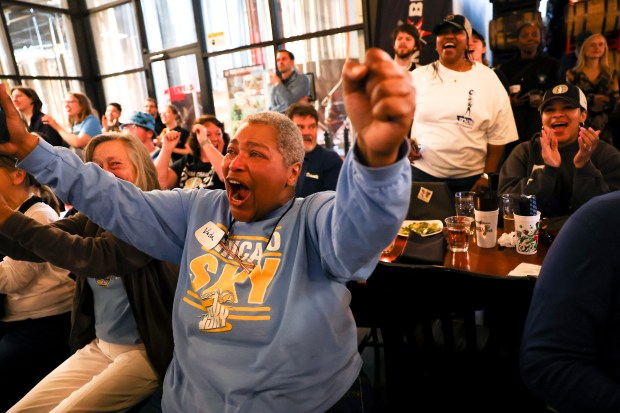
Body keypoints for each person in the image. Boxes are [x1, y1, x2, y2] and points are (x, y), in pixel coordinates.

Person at [0, 47, 415, 412]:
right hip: (192, 399)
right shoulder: (199, 209)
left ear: (293, 172)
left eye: (256, 153)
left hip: (305, 400)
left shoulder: (313, 216)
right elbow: (117, 200)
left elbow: (360, 231)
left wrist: (378, 159)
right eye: (233, 150)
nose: (235, 162)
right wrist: (34, 152)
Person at [0, 132, 178, 412]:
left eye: (115, 164)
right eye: (95, 167)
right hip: (101, 345)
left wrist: (8, 217)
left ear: (139, 169)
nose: (104, 175)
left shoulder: (153, 218)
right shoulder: (93, 217)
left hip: (146, 353)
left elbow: (92, 256)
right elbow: (38, 246)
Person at [520, 189, 620, 412]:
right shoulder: (601, 220)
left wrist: (583, 169)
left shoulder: (606, 157)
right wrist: (550, 170)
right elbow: (545, 362)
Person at [408, 14, 518, 194]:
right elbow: (397, 118)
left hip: (472, 180)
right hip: (424, 175)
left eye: (456, 32)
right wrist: (403, 143)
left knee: (472, 224)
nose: (448, 36)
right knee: (425, 223)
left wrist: (487, 175)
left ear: (468, 41)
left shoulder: (488, 79)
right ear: (436, 43)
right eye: (443, 33)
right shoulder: (418, 77)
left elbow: (499, 135)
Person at [0, 155, 75, 411]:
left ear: (17, 175)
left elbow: (14, 279)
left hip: (46, 321)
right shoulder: (13, 213)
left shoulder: (39, 214)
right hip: (17, 316)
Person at [498, 83, 620, 218]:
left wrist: (584, 167)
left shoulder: (606, 154)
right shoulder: (524, 152)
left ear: (583, 115)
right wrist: (548, 171)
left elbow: (608, 213)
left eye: (567, 107)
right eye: (549, 110)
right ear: (542, 117)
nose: (557, 115)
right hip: (532, 237)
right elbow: (508, 208)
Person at [495, 22, 560, 155]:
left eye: (534, 35)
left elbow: (562, 95)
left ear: (540, 38)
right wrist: (510, 102)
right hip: (514, 132)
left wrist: (546, 100)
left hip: (543, 129)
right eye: (525, 35)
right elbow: (496, 101)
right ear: (517, 41)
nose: (531, 38)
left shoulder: (552, 65)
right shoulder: (506, 69)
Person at [566, 33, 619, 145]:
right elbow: (571, 101)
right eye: (592, 45)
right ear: (584, 49)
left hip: (607, 126)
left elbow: (615, 99)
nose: (597, 48)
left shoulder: (611, 74)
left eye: (601, 44)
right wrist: (599, 99)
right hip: (581, 126)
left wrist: (589, 99)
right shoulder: (572, 75)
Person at [155, 114, 229, 190]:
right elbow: (161, 183)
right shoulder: (188, 160)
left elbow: (227, 176)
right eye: (208, 134)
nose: (215, 138)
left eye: (218, 134)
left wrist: (205, 142)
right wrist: (166, 148)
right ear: (197, 139)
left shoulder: (228, 160)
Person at [285, 102, 343, 197]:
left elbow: (332, 204)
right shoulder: (281, 159)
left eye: (312, 127)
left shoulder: (330, 161)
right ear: (289, 130)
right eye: (300, 127)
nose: (307, 132)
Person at [41, 92, 102, 158]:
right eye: (65, 102)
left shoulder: (91, 120)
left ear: (82, 105)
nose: (66, 105)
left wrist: (56, 126)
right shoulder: (74, 124)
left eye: (70, 102)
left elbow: (78, 142)